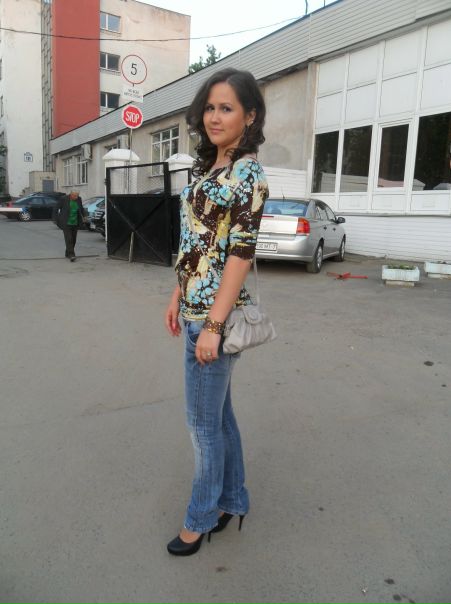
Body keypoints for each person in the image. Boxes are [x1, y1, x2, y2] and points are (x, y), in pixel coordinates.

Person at [165, 68, 269, 556]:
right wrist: (176, 294)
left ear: (250, 116)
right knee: (220, 419)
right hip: (193, 311)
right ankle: (231, 501)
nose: (214, 116)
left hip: (213, 321)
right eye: (209, 107)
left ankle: (200, 518)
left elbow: (239, 256)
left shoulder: (247, 174)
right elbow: (196, 243)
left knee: (202, 427)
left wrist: (212, 325)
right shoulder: (208, 169)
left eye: (226, 108)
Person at [54, 190, 86, 261]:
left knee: (73, 239)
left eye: (77, 195)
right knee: (69, 239)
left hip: (75, 222)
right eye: (75, 196)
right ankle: (72, 255)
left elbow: (81, 208)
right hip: (66, 222)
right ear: (71, 194)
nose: (76, 197)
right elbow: (56, 208)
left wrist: (84, 216)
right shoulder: (64, 199)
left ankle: (67, 253)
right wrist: (55, 219)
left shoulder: (79, 199)